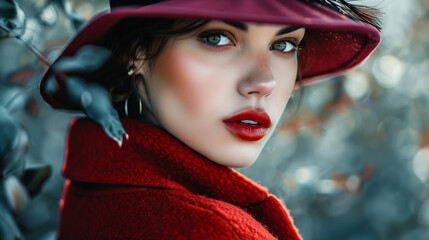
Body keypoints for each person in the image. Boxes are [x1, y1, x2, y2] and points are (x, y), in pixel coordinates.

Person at [39, 0, 381, 239]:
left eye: (285, 44)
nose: (264, 82)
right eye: (217, 37)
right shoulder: (211, 230)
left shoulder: (98, 187)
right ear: (136, 53)